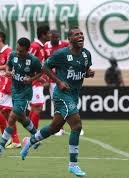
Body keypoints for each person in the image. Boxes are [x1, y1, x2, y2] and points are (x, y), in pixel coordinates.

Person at [21, 27, 95, 177]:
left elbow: (84, 71)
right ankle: (73, 165)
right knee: (77, 125)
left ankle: (30, 141)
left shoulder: (86, 54)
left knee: (54, 127)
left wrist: (88, 74)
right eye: (76, 35)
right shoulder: (62, 54)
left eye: (81, 34)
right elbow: (44, 66)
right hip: (62, 94)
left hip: (74, 95)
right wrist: (58, 81)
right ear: (70, 39)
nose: (80, 36)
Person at [0, 37, 43, 157]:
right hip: (14, 90)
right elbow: (7, 66)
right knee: (22, 118)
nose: (18, 53)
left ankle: (0, 147)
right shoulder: (13, 55)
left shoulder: (33, 60)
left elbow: (42, 72)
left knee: (12, 118)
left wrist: (31, 79)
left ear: (27, 50)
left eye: (21, 51)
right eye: (17, 50)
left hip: (25, 93)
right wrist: (8, 71)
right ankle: (37, 137)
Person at [44, 30, 69, 136]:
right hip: (53, 79)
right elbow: (44, 63)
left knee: (68, 102)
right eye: (55, 37)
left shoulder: (65, 44)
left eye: (58, 37)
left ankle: (75, 125)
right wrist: (46, 78)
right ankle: (60, 128)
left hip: (64, 79)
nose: (57, 39)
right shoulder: (46, 46)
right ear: (50, 37)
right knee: (57, 103)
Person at [28, 25, 50, 129]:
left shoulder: (42, 47)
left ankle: (32, 133)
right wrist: (36, 77)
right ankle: (34, 135)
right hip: (34, 83)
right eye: (48, 33)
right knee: (37, 107)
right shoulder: (35, 46)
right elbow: (26, 63)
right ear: (43, 35)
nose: (50, 35)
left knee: (35, 108)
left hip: (37, 82)